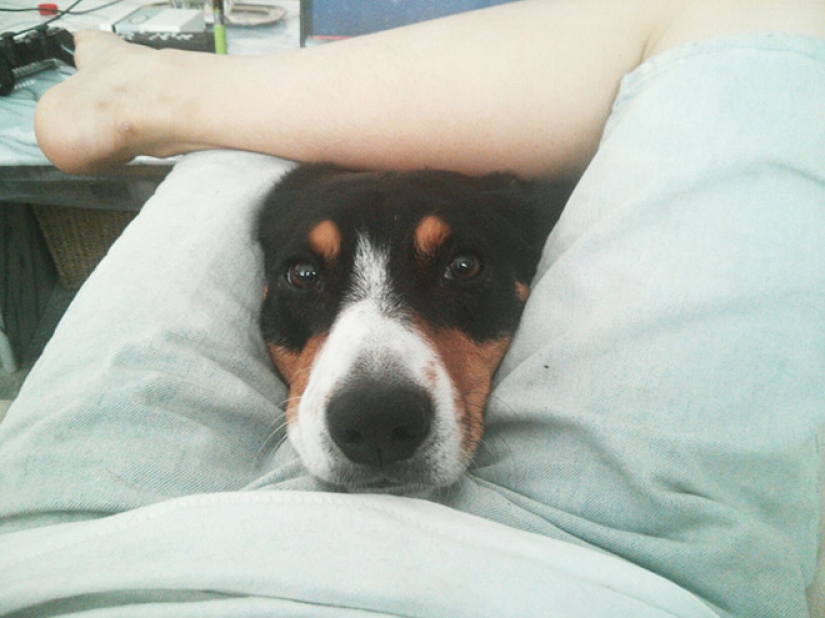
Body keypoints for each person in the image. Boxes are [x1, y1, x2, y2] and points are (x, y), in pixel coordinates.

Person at [1, 1, 824, 617]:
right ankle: (170, 96)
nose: (375, 366)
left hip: (89, 552)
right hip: (608, 569)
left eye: (460, 268)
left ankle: (161, 97)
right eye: (303, 277)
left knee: (240, 159)